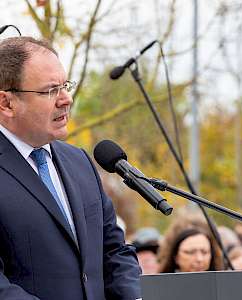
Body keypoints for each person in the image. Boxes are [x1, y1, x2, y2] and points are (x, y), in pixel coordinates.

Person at [0, 37, 141, 300]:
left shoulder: (80, 162)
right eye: (50, 91)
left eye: (65, 85)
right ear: (7, 103)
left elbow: (114, 251)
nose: (66, 99)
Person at [158, 226, 224, 273]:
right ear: (176, 257)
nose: (199, 259)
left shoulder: (222, 285)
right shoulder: (160, 287)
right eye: (191, 252)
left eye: (204, 252)